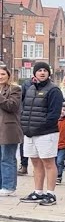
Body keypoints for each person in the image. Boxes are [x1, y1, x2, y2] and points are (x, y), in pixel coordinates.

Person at [17, 61, 63, 205]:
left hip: (46, 133)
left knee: (48, 163)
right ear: (34, 73)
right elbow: (23, 109)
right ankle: (38, 192)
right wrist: (25, 126)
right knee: (35, 163)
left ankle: (51, 194)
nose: (42, 73)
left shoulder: (54, 90)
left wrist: (40, 127)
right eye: (39, 70)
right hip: (30, 133)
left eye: (45, 70)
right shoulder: (30, 88)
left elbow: (54, 114)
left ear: (49, 73)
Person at [0, 66, 21, 196]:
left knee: (7, 158)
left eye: (3, 74)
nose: (0, 76)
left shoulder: (15, 89)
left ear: (8, 75)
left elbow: (12, 106)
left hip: (8, 129)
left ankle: (9, 186)